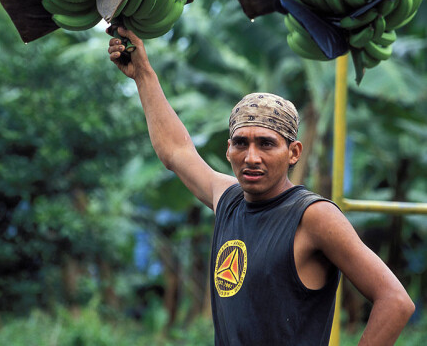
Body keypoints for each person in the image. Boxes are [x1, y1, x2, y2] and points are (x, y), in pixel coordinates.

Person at [108, 26, 415, 345]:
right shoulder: (227, 200)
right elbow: (176, 151)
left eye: (267, 144)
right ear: (228, 149)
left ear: (293, 152)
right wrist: (142, 73)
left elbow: (395, 301)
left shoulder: (312, 216)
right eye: (241, 143)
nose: (251, 157)